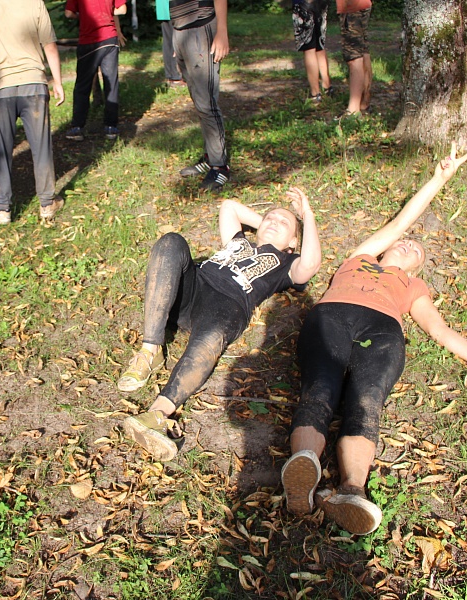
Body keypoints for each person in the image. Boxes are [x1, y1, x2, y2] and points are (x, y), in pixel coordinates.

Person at [282, 145, 467, 535]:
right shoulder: (360, 258)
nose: (408, 246)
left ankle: (352, 491)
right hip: (332, 316)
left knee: (366, 401)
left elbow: (439, 330)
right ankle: (303, 469)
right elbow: (403, 221)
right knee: (319, 390)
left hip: (383, 330)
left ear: (419, 267)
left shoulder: (412, 286)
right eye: (405, 243)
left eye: (417, 252)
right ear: (386, 246)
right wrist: (438, 179)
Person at [119, 192, 322, 461]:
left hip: (229, 305)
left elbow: (310, 264)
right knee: (172, 242)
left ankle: (158, 413)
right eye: (270, 217)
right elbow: (229, 207)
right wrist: (269, 224)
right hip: (195, 286)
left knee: (208, 341)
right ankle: (149, 350)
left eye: (283, 223)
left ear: (295, 241)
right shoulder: (238, 241)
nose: (273, 221)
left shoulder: (286, 265)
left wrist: (306, 214)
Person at [0, 0, 65, 224]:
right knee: (41, 147)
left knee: (2, 149)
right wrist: (57, 81)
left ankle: (1, 209)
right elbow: (49, 45)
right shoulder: (35, 3)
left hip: (0, 88)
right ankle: (47, 204)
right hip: (34, 86)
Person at [173, 0, 230, 192]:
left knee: (207, 103)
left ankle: (220, 166)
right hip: (181, 31)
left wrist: (222, 32)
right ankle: (209, 158)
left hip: (201, 28)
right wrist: (178, 38)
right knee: (199, 101)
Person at [63, 0, 126, 141]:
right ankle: (111, 126)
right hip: (109, 38)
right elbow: (122, 9)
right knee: (111, 83)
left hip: (88, 41)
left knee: (82, 85)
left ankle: (77, 127)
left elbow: (68, 13)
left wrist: (84, 15)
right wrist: (107, 12)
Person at [336, 0, 371, 117]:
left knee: (354, 57)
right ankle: (364, 101)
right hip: (361, 5)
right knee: (363, 51)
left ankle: (353, 110)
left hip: (351, 7)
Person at [293, 0, 331, 104]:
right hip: (321, 3)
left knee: (309, 47)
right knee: (319, 45)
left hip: (303, 4)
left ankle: (315, 93)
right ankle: (327, 86)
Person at [156, 0, 183, 86]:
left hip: (164, 8)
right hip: (176, 8)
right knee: (176, 41)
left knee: (168, 43)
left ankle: (171, 75)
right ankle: (176, 75)